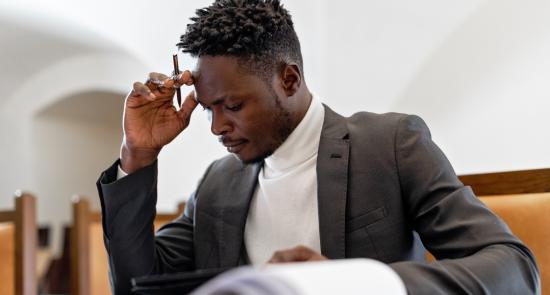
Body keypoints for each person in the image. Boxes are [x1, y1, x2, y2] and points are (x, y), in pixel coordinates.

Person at [97, 1, 540, 294]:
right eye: (210, 110)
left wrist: (357, 284)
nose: (216, 128)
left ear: (289, 80)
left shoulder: (390, 146)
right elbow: (139, 284)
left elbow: (514, 269)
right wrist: (139, 155)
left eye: (232, 106)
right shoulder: (218, 183)